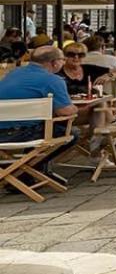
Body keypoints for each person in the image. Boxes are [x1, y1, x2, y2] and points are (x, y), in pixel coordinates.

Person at [0, 45, 81, 187]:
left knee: (40, 127)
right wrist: (76, 107)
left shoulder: (13, 73)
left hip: (2, 132)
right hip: (23, 134)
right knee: (71, 133)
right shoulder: (53, 80)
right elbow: (65, 111)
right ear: (54, 63)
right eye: (62, 59)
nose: (63, 62)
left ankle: (22, 173)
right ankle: (23, 173)